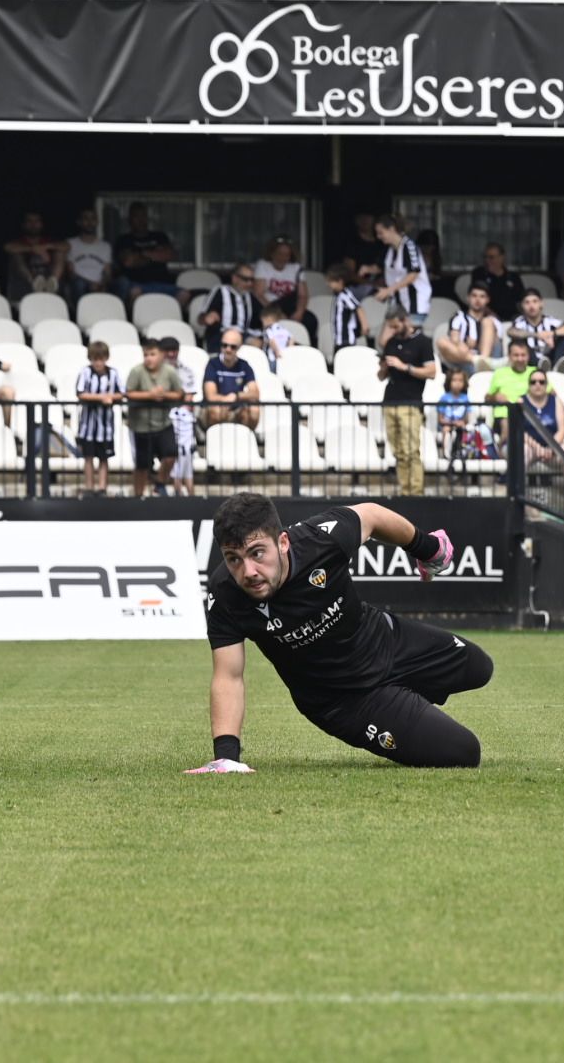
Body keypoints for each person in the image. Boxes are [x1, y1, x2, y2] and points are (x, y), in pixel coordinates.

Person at [190, 494, 486, 774]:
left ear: (282, 542)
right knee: (464, 752)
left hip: (385, 641)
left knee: (479, 668)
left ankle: (403, 703)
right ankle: (397, 709)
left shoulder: (321, 539)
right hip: (342, 701)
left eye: (257, 553)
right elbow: (228, 676)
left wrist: (426, 547)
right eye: (234, 559)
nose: (248, 571)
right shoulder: (225, 595)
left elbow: (371, 515)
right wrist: (226, 757)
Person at [378, 306, 436, 495]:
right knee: (399, 452)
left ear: (405, 321)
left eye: (395, 327)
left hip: (410, 403)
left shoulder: (423, 342)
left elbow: (432, 372)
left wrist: (405, 367)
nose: (393, 331)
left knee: (412, 451)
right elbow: (380, 376)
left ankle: (416, 493)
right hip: (389, 402)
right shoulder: (391, 343)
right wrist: (385, 367)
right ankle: (405, 491)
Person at [125, 337, 186, 497]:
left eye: (152, 354)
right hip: (141, 427)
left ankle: (159, 483)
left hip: (163, 423)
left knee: (171, 454)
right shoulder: (136, 371)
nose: (148, 358)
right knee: (142, 465)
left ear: (161, 355)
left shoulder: (169, 372)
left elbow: (179, 393)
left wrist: (164, 395)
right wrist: (149, 395)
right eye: (146, 355)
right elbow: (129, 393)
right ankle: (138, 497)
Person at [74, 340, 123, 496]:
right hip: (87, 426)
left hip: (106, 427)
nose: (98, 363)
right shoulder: (85, 372)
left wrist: (110, 398)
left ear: (106, 358)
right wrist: (101, 398)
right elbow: (81, 393)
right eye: (95, 359)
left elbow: (121, 393)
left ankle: (102, 487)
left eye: (101, 359)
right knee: (88, 458)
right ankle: (89, 487)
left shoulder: (113, 373)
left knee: (104, 458)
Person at [112, 202, 180, 305]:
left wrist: (141, 255)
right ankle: (133, 320)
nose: (141, 220)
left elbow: (170, 255)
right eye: (136, 216)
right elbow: (128, 262)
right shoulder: (124, 240)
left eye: (143, 216)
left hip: (162, 283)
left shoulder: (159, 236)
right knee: (135, 292)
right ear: (129, 219)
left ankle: (171, 320)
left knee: (184, 294)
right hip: (136, 284)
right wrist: (155, 254)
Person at [374, 216, 432, 331]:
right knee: (386, 338)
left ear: (391, 229)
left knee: (410, 336)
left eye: (381, 233)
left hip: (414, 301)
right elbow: (386, 269)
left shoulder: (409, 247)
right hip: (397, 301)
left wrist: (389, 290)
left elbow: (413, 274)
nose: (379, 237)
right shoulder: (391, 249)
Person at [253, 236, 317, 340]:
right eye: (280, 254)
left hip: (290, 305)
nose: (282, 258)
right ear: (272, 253)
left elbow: (303, 295)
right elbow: (258, 294)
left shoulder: (296, 268)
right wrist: (277, 313)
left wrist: (299, 313)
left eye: (286, 255)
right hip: (268, 306)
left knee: (310, 320)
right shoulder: (263, 265)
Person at [160, 337, 198, 496]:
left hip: (183, 418)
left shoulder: (186, 370)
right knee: (172, 454)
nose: (171, 354)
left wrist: (169, 396)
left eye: (174, 350)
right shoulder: (156, 371)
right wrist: (176, 396)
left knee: (186, 454)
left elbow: (188, 398)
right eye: (167, 351)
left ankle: (189, 493)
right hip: (162, 418)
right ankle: (174, 489)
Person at [201, 329, 260, 430]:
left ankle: (244, 440)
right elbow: (211, 396)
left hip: (237, 406)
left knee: (254, 410)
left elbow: (255, 393)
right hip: (216, 407)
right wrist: (225, 400)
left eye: (233, 347)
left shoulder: (244, 365)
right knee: (216, 410)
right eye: (224, 345)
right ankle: (216, 441)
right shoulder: (212, 364)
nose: (228, 349)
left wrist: (236, 396)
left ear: (239, 347)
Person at [438, 282, 499, 374]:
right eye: (474, 296)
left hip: (490, 359)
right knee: (441, 341)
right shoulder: (459, 316)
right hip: (465, 360)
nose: (477, 299)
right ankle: (479, 362)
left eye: (482, 296)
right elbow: (455, 338)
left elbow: (497, 343)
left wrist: (477, 345)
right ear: (468, 298)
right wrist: (464, 346)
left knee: (488, 322)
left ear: (488, 300)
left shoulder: (493, 319)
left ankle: (483, 362)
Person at [507, 288, 564, 372]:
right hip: (530, 360)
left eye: (535, 301)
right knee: (518, 340)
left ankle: (557, 366)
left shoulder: (549, 320)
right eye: (527, 302)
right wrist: (537, 335)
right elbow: (511, 332)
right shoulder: (520, 322)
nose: (531, 306)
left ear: (541, 303)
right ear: (522, 306)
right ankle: (539, 366)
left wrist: (552, 333)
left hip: (549, 357)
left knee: (563, 338)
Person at [4, 211, 65, 302]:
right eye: (30, 221)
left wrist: (45, 247)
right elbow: (8, 247)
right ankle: (34, 282)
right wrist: (33, 249)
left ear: (42, 224)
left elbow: (66, 246)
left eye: (37, 221)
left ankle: (53, 281)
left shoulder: (48, 240)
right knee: (17, 255)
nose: (33, 224)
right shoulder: (19, 242)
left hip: (48, 286)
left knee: (60, 252)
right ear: (24, 225)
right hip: (24, 289)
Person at [200, 263, 261, 354]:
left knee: (259, 343)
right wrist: (207, 318)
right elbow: (201, 318)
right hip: (221, 334)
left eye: (252, 280)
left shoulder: (250, 297)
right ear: (234, 278)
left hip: (243, 335)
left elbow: (261, 318)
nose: (249, 283)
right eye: (246, 279)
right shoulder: (220, 291)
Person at [485, 340, 535, 443]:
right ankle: (503, 450)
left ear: (528, 356)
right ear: (509, 356)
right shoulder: (499, 373)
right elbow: (487, 398)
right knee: (508, 424)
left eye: (523, 355)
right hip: (505, 415)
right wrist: (495, 397)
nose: (520, 359)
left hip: (530, 414)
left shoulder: (535, 373)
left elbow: (552, 393)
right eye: (516, 355)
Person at [64, 207, 113, 306]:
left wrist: (101, 284)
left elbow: (107, 273)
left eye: (93, 219)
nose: (90, 222)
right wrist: (90, 284)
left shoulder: (105, 246)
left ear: (97, 222)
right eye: (86, 219)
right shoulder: (70, 243)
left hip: (99, 285)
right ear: (79, 222)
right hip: (79, 285)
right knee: (79, 284)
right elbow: (71, 274)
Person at [469, 243, 527, 322]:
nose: (487, 260)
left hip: (513, 318)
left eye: (491, 257)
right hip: (488, 317)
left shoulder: (513, 277)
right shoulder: (479, 274)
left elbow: (521, 300)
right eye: (485, 257)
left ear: (502, 257)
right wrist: (493, 316)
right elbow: (477, 299)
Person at [520, 367, 564, 464]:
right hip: (529, 447)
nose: (537, 385)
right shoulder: (521, 402)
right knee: (524, 451)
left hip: (553, 449)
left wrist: (551, 448)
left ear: (547, 385)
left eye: (541, 382)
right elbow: (519, 431)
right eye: (533, 382)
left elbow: (562, 429)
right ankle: (518, 480)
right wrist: (538, 448)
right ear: (529, 385)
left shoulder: (556, 401)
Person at [341, 211, 384, 298]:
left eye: (368, 217)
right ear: (356, 221)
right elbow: (349, 273)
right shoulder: (353, 244)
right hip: (358, 289)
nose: (365, 221)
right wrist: (371, 283)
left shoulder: (382, 243)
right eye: (361, 218)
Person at [325, 265, 367, 350]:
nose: (328, 284)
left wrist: (364, 325)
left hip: (346, 340)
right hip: (338, 340)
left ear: (340, 281)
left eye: (330, 281)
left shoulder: (345, 295)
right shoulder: (338, 296)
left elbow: (357, 307)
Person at [437, 368, 472, 460]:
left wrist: (462, 422)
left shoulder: (466, 398)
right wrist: (452, 423)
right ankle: (446, 455)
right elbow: (440, 419)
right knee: (446, 429)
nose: (457, 383)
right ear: (449, 382)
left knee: (464, 430)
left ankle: (462, 453)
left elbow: (467, 419)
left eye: (460, 380)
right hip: (446, 425)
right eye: (454, 380)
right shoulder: (444, 398)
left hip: (460, 425)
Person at [256, 304, 292, 372]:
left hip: (272, 356)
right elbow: (291, 339)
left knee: (271, 373)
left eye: (263, 321)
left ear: (268, 318)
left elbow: (272, 341)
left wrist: (277, 352)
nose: (262, 324)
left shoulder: (268, 330)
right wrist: (289, 350)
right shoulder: (283, 329)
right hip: (284, 356)